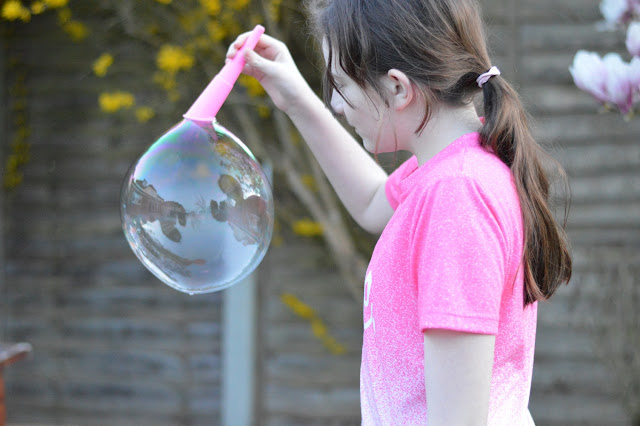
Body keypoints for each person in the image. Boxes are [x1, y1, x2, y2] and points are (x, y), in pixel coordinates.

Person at [227, 0, 572, 424]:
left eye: (341, 86)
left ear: (397, 88)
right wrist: (295, 98)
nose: (336, 104)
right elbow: (374, 203)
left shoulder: (456, 196)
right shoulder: (454, 170)